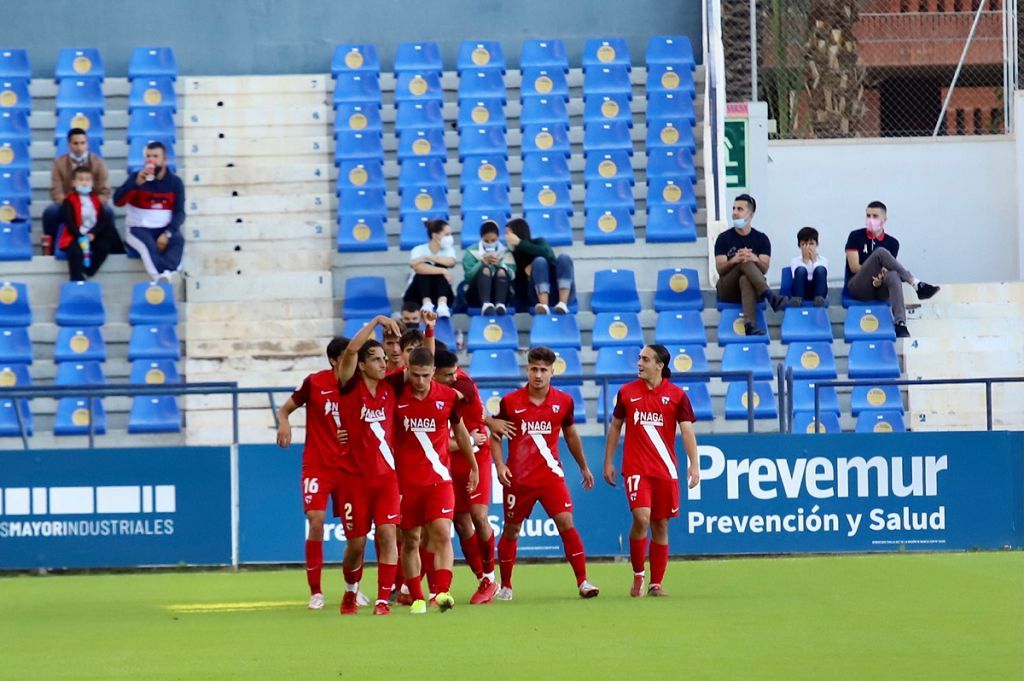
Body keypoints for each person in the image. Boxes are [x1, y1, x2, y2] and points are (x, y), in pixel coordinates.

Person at [490, 346, 600, 601]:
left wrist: (583, 466)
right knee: (511, 530)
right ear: (527, 370)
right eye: (534, 369)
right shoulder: (511, 402)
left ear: (552, 372)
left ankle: (583, 581)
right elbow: (495, 435)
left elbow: (570, 434)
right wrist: (499, 465)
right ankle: (506, 585)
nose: (538, 375)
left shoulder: (563, 401)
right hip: (518, 479)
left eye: (543, 370)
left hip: (551, 476)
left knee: (566, 523)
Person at [602, 345, 700, 598]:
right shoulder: (626, 393)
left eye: (645, 359)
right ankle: (638, 575)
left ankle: (656, 583)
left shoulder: (677, 396)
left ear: (660, 365)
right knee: (642, 518)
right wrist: (608, 461)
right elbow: (615, 427)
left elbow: (687, 432)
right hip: (636, 468)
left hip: (665, 469)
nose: (639, 363)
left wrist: (694, 464)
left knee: (660, 525)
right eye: (639, 358)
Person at [275, 337, 364, 611]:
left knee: (356, 533)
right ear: (334, 360)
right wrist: (284, 423)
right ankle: (316, 591)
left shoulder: (361, 384)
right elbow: (285, 409)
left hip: (351, 467)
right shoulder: (314, 382)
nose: (354, 361)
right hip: (318, 465)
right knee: (316, 520)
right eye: (349, 356)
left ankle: (353, 588)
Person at [392, 347, 479, 614]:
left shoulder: (448, 397)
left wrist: (474, 465)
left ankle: (441, 592)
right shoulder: (395, 394)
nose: (420, 381)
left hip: (440, 479)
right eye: (415, 375)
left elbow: (461, 433)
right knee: (411, 540)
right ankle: (417, 595)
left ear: (434, 374)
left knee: (442, 532)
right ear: (409, 372)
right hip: (406, 481)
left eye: (425, 376)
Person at [332, 315, 404, 616]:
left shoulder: (390, 388)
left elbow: (417, 360)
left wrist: (423, 329)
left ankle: (383, 599)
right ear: (362, 365)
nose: (382, 363)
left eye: (383, 359)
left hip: (386, 478)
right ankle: (351, 591)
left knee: (388, 535)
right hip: (354, 479)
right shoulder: (349, 387)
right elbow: (350, 352)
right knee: (356, 545)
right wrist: (375, 321)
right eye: (375, 359)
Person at [434, 349, 499, 604]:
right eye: (446, 374)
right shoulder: (433, 383)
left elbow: (454, 396)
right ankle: (482, 578)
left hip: (475, 456)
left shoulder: (463, 385)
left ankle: (491, 578)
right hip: (449, 460)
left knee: (479, 516)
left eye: (453, 372)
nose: (452, 377)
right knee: (460, 523)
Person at [845, 201, 940, 338]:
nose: (870, 219)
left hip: (880, 288)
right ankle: (915, 283)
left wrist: (880, 278)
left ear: (884, 219)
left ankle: (900, 324)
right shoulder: (855, 236)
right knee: (881, 252)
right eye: (868, 215)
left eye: (875, 216)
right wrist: (874, 272)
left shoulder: (893, 243)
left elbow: (886, 269)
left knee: (894, 275)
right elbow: (854, 267)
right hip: (859, 286)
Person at [113, 141, 185, 282]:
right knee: (148, 245)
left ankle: (170, 273)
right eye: (148, 156)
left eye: (155, 156)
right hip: (139, 227)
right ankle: (160, 277)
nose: (151, 160)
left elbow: (180, 213)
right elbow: (118, 201)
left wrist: (167, 233)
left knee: (178, 240)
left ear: (164, 160)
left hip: (163, 228)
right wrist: (136, 184)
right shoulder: (136, 178)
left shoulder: (175, 183)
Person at [714, 194, 785, 334]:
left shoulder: (762, 239)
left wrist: (755, 259)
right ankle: (770, 296)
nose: (734, 213)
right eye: (733, 208)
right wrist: (735, 260)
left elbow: (764, 269)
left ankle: (750, 324)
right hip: (728, 289)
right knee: (743, 261)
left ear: (751, 215)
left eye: (739, 209)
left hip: (752, 288)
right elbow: (720, 270)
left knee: (745, 277)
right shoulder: (723, 238)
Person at [43, 128, 113, 253]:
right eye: (75, 143)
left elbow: (105, 191)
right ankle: (50, 247)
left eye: (82, 143)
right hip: (68, 203)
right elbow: (56, 191)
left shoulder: (98, 163)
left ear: (87, 144)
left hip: (92, 203)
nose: (79, 147)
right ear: (69, 145)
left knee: (107, 211)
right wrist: (71, 205)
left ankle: (107, 245)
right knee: (51, 212)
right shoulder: (59, 164)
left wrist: (93, 204)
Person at [58, 166, 125, 281]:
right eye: (81, 179)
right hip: (75, 234)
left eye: (87, 180)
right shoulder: (69, 200)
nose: (84, 183)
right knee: (75, 252)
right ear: (73, 183)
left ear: (92, 183)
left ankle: (89, 271)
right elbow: (69, 222)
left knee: (103, 247)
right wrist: (80, 236)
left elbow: (102, 220)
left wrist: (93, 233)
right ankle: (76, 279)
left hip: (92, 235)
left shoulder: (95, 200)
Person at [504, 217, 575, 315]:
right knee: (539, 262)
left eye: (508, 234)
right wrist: (529, 276)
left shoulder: (538, 242)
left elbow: (548, 255)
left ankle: (563, 304)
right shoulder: (512, 255)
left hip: (557, 290)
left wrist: (520, 243)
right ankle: (544, 306)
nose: (506, 238)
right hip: (536, 297)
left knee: (563, 258)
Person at [403, 219, 456, 318]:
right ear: (435, 235)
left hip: (441, 292)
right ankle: (426, 303)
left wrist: (430, 257)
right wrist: (443, 271)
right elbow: (418, 268)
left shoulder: (449, 250)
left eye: (450, 234)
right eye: (447, 234)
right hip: (416, 294)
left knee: (438, 265)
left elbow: (451, 262)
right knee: (427, 268)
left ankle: (442, 305)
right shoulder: (418, 249)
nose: (450, 237)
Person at [462, 220, 516, 316]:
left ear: (498, 238)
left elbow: (512, 275)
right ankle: (485, 305)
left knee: (501, 271)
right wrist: (482, 263)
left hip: (501, 291)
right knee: (485, 270)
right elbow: (468, 277)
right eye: (486, 241)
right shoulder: (471, 251)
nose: (490, 243)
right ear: (481, 238)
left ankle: (500, 305)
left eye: (493, 240)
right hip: (476, 293)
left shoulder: (506, 251)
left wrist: (500, 264)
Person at [787, 226, 828, 307]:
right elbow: (796, 277)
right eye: (804, 244)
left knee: (820, 269)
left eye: (811, 243)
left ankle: (819, 300)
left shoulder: (823, 260)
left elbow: (823, 276)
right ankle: (797, 301)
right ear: (799, 246)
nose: (808, 247)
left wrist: (814, 261)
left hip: (817, 288)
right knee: (800, 270)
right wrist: (805, 261)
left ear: (817, 244)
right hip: (801, 288)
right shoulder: (795, 261)